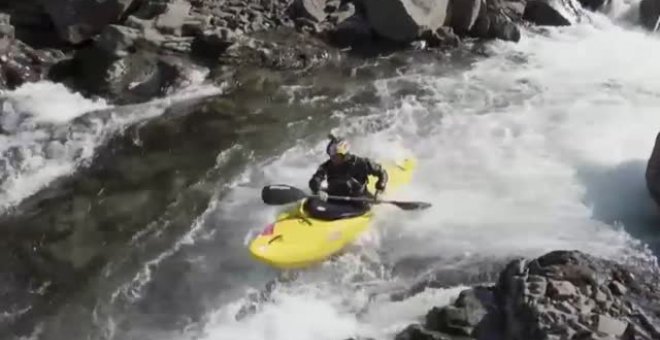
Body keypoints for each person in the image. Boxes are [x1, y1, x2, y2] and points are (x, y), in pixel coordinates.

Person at [308, 135, 388, 210]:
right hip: (336, 197)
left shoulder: (361, 163)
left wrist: (379, 190)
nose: (333, 159)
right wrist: (317, 190)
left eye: (337, 156)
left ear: (345, 155)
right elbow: (315, 179)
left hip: (358, 200)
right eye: (331, 156)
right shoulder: (327, 166)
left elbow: (382, 173)